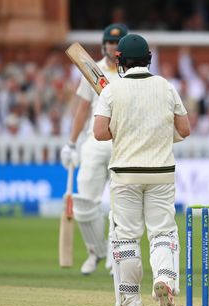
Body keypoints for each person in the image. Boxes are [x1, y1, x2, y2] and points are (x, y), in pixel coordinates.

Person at [93, 34, 190, 306]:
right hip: (161, 172)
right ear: (149, 58)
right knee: (163, 232)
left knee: (126, 238)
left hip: (125, 175)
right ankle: (165, 278)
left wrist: (125, 132)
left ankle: (131, 304)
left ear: (120, 60)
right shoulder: (166, 86)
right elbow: (184, 130)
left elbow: (99, 132)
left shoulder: (111, 91)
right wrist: (157, 135)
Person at [60, 23, 128, 275]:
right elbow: (81, 109)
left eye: (119, 42)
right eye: (110, 43)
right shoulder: (92, 69)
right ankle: (95, 251)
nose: (114, 46)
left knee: (120, 203)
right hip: (93, 141)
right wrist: (71, 142)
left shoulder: (132, 71)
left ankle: (115, 252)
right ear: (104, 45)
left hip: (122, 142)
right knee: (84, 202)